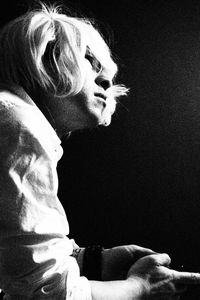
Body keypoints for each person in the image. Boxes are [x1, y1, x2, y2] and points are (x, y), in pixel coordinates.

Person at [0, 2, 199, 299]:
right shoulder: (19, 124)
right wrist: (140, 287)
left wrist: (95, 262)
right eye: (90, 61)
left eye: (106, 71)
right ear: (45, 58)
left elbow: (11, 260)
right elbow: (44, 292)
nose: (107, 80)